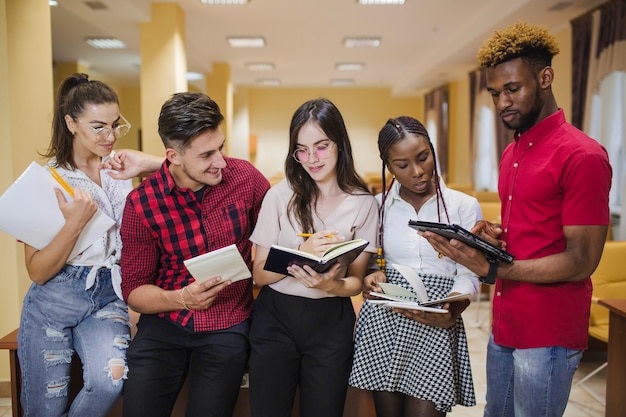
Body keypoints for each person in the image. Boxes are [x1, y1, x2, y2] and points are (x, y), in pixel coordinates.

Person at [421, 22, 612, 417]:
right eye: (495, 93)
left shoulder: (582, 156)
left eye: (513, 88)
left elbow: (580, 261)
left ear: (545, 77)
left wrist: (492, 267)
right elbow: (532, 232)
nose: (503, 102)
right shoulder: (513, 153)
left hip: (549, 330)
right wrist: (492, 236)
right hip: (507, 322)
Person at [119, 92, 270, 417]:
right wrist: (182, 298)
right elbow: (134, 292)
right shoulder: (142, 204)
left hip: (228, 322)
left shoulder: (246, 179)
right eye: (206, 155)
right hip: (164, 323)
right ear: (173, 156)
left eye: (221, 147)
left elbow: (281, 228)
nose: (221, 161)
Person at [248, 97, 379, 417]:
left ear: (339, 144)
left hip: (330, 321)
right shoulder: (280, 196)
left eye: (321, 146)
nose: (311, 158)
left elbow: (356, 282)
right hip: (276, 317)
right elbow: (258, 274)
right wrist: (299, 255)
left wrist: (329, 285)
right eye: (301, 149)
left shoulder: (363, 203)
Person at [17, 73, 133, 417]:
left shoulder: (120, 172)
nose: (109, 136)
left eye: (115, 125)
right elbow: (37, 271)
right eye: (98, 127)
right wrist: (74, 223)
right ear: (70, 123)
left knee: (110, 380)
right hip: (54, 298)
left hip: (109, 293)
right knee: (47, 407)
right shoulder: (46, 181)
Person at [348, 116, 480, 417]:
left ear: (433, 150)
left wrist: (452, 311)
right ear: (388, 166)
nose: (418, 172)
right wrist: (371, 275)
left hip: (437, 318)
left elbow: (470, 273)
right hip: (385, 320)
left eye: (423, 158)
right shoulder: (378, 206)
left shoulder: (463, 206)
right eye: (402, 165)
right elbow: (370, 262)